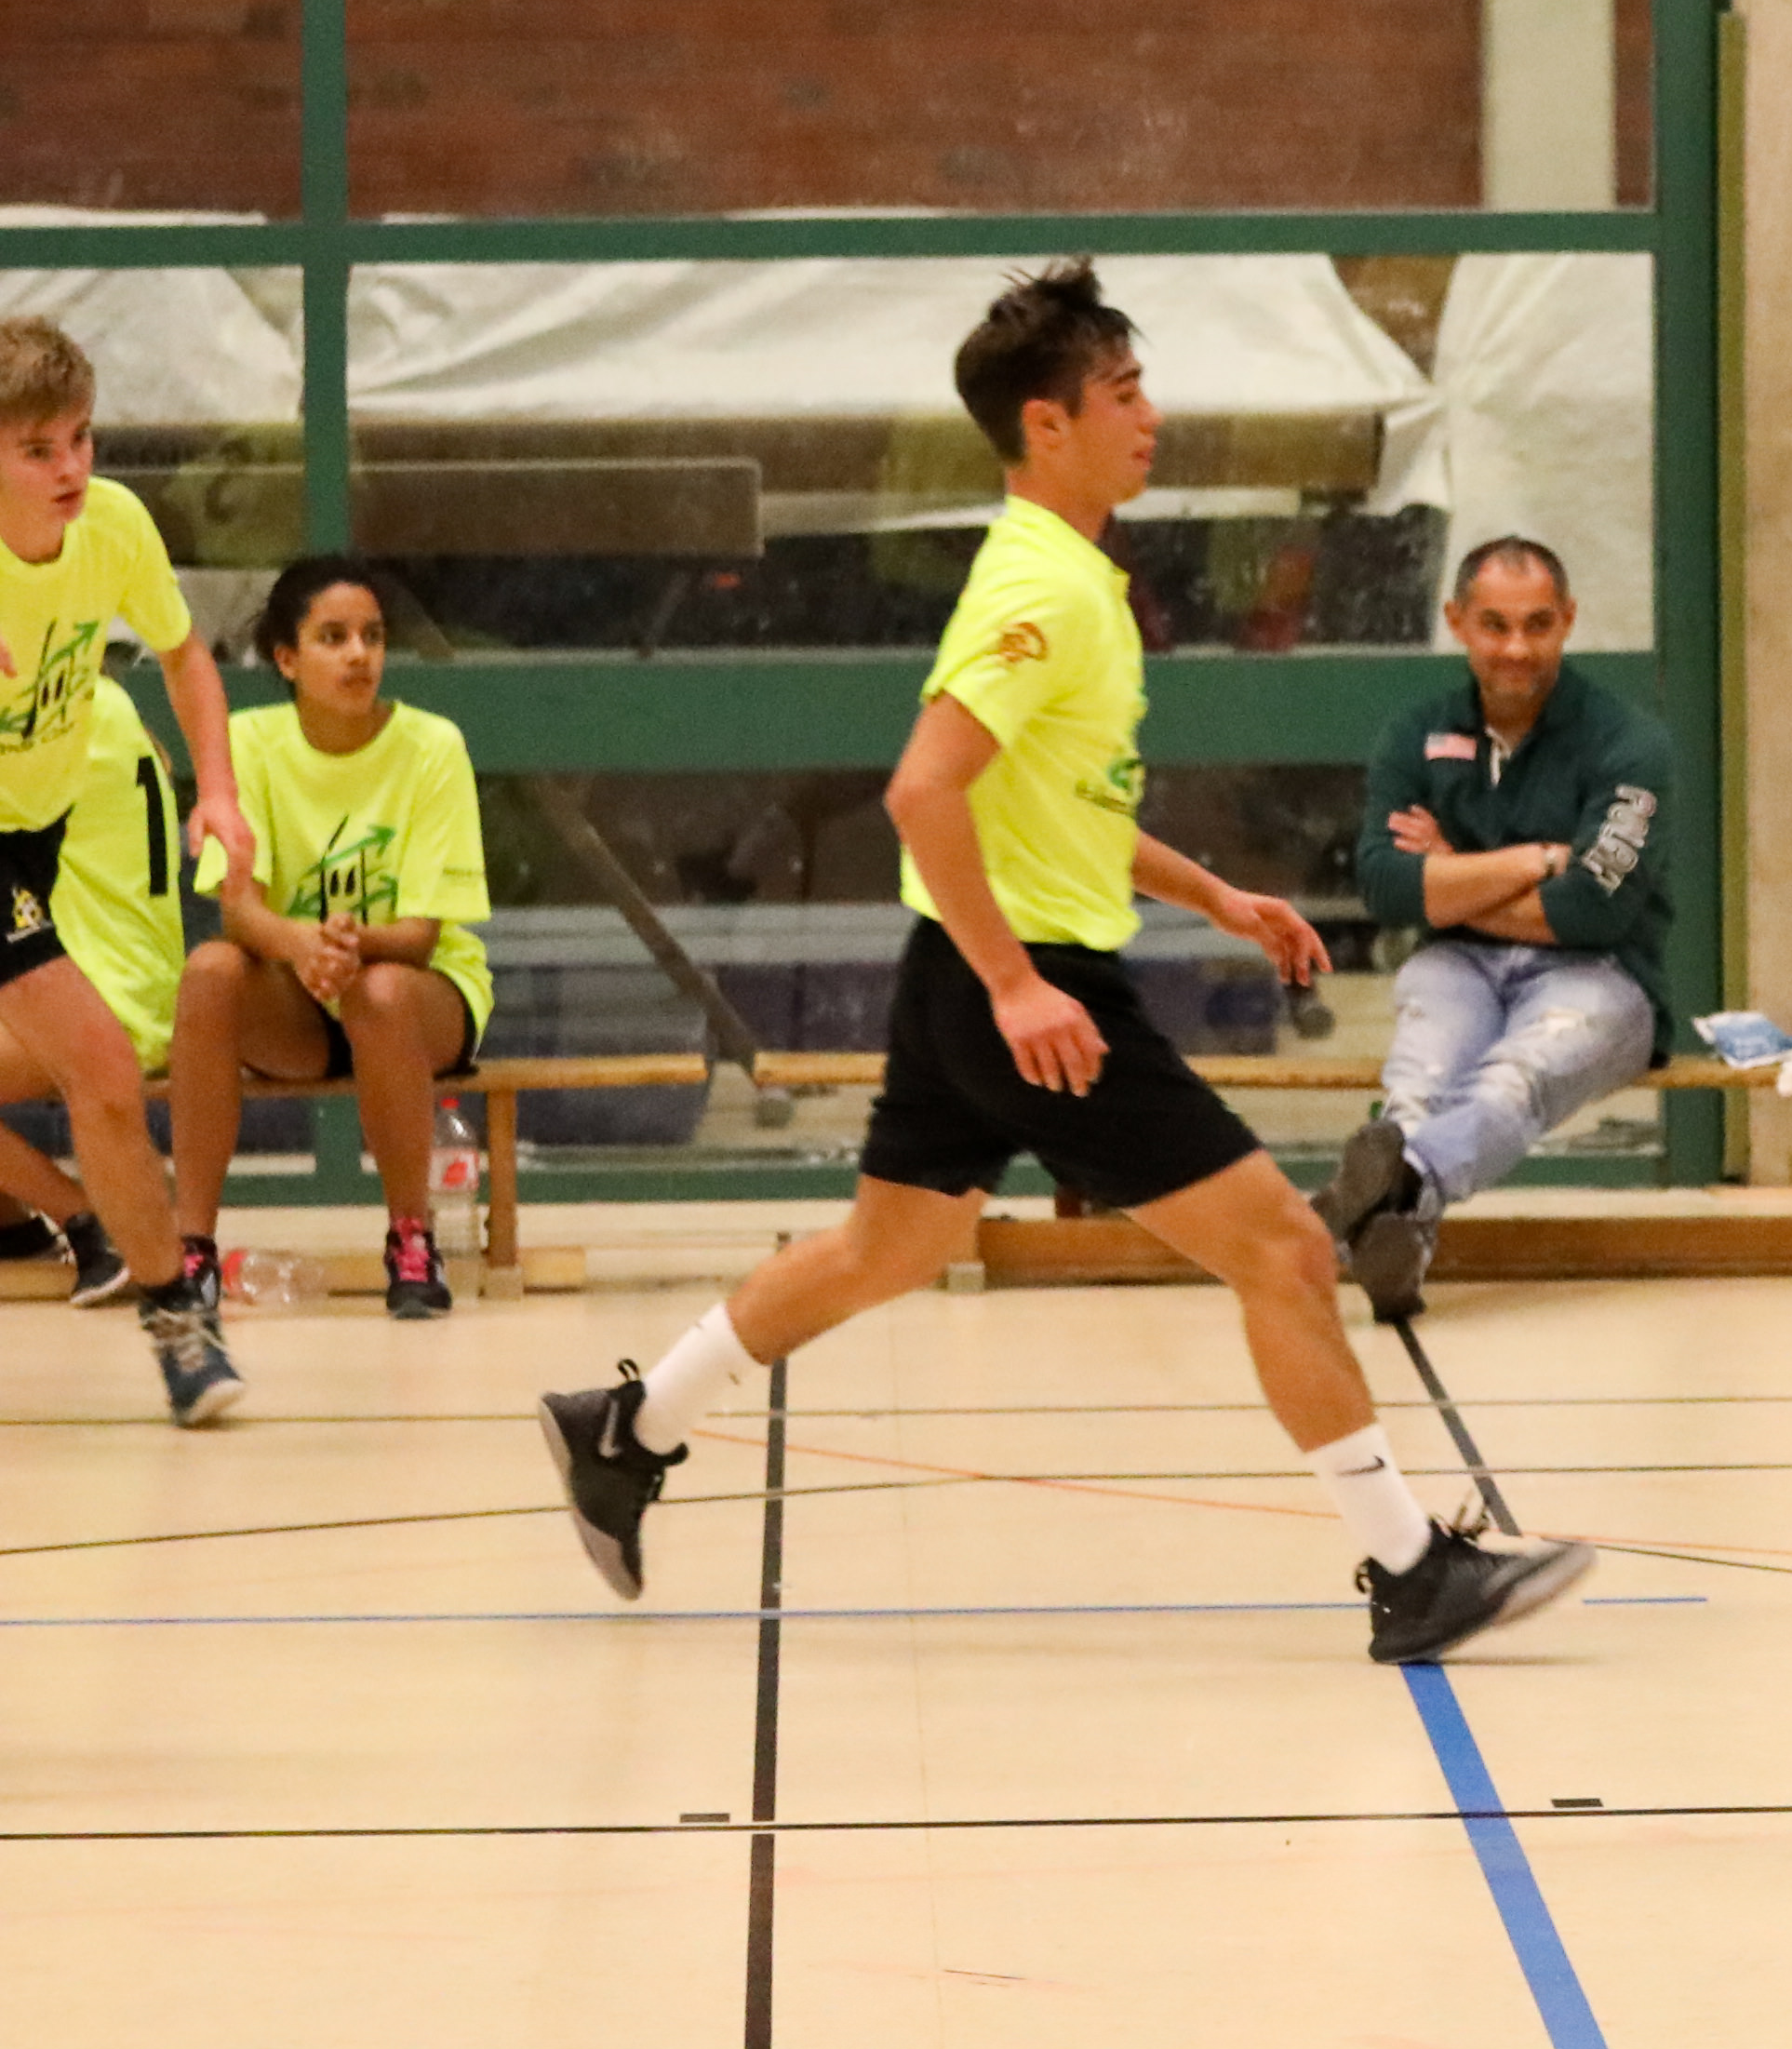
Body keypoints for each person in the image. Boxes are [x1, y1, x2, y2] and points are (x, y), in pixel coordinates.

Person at [539, 264, 1593, 1658]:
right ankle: (1411, 1567)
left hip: (968, 972)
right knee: (1284, 1247)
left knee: (886, 1247)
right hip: (1027, 988)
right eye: (1124, 394)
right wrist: (1018, 984)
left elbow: (1061, 805)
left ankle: (626, 1426)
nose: (1151, 417)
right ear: (1048, 425)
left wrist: (1215, 893)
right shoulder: (1040, 589)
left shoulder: (1072, 577)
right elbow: (924, 790)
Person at [1306, 533, 1675, 1320]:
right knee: (1418, 1087)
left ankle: (1395, 1190)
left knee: (1514, 1079)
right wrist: (1536, 859)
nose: (1516, 648)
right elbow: (1386, 887)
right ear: (1457, 621)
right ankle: (1399, 1237)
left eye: (1538, 624)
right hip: (1459, 966)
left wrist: (1449, 876)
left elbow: (1593, 910)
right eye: (1495, 624)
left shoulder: (1630, 743)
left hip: (1600, 976)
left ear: (1568, 619)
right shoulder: (1415, 734)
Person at [0, 315, 252, 1422]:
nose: (70, 468)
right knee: (101, 1068)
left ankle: (109, 1243)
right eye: (37, 450)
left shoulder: (113, 527)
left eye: (81, 439)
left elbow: (185, 652)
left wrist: (219, 791)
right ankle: (176, 1321)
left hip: (35, 827)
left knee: (93, 1075)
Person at [165, 558, 497, 1319]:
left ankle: (412, 1240)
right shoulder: (245, 742)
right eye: (334, 637)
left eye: (372, 637)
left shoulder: (432, 746)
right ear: (286, 659)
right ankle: (191, 1249)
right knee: (210, 971)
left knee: (377, 989)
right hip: (300, 996)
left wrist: (345, 943)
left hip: (419, 998)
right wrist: (301, 945)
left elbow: (418, 936)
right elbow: (240, 914)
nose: (358, 655)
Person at [0, 684, 185, 1306]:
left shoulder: (52, 716)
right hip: (121, 982)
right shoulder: (100, 701)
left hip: (105, 996)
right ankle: (13, 1226)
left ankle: (95, 1221)